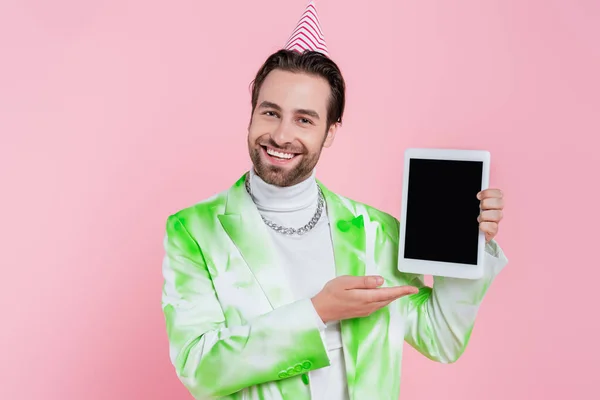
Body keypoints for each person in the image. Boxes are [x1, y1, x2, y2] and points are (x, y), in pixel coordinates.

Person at [161, 2, 508, 399]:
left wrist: (468, 244)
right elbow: (198, 367)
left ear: (329, 132)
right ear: (252, 113)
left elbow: (440, 338)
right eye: (270, 112)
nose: (280, 134)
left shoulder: (375, 232)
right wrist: (317, 311)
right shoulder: (193, 230)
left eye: (304, 119)